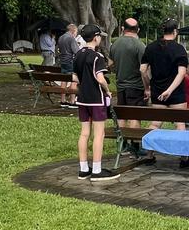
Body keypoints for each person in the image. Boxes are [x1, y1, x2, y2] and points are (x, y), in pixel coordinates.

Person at [140, 18, 189, 167]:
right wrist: (170, 90)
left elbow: (142, 70)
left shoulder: (151, 47)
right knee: (180, 124)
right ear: (175, 31)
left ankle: (149, 154)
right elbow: (182, 73)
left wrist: (148, 86)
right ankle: (184, 158)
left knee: (156, 123)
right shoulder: (179, 49)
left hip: (157, 92)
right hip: (176, 93)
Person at [72, 24, 119, 183]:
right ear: (95, 37)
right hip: (96, 99)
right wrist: (107, 89)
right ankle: (97, 170)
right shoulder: (97, 57)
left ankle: (83, 168)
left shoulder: (77, 55)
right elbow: (100, 79)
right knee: (99, 134)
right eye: (100, 36)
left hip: (82, 99)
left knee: (84, 133)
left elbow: (75, 78)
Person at [108, 18, 147, 129]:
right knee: (134, 116)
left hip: (120, 86)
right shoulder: (140, 46)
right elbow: (143, 69)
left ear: (123, 28)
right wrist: (147, 87)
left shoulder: (115, 44)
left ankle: (123, 140)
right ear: (138, 30)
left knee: (122, 115)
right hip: (136, 87)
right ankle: (133, 143)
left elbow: (110, 64)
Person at [56, 24, 81, 108]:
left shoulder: (61, 37)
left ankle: (63, 100)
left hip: (63, 61)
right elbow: (77, 52)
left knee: (64, 80)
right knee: (73, 80)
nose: (76, 34)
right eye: (76, 32)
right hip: (70, 61)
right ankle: (72, 101)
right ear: (73, 30)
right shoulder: (71, 38)